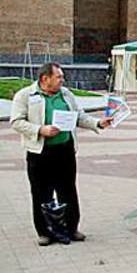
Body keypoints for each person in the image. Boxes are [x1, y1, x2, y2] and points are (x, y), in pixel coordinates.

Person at [10, 62, 113, 246]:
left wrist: (98, 123)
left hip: (64, 150)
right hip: (39, 152)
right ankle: (45, 232)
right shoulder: (25, 95)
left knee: (68, 190)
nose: (62, 80)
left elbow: (79, 116)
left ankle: (71, 228)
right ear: (45, 79)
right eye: (59, 77)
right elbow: (16, 122)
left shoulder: (66, 94)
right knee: (41, 193)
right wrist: (41, 129)